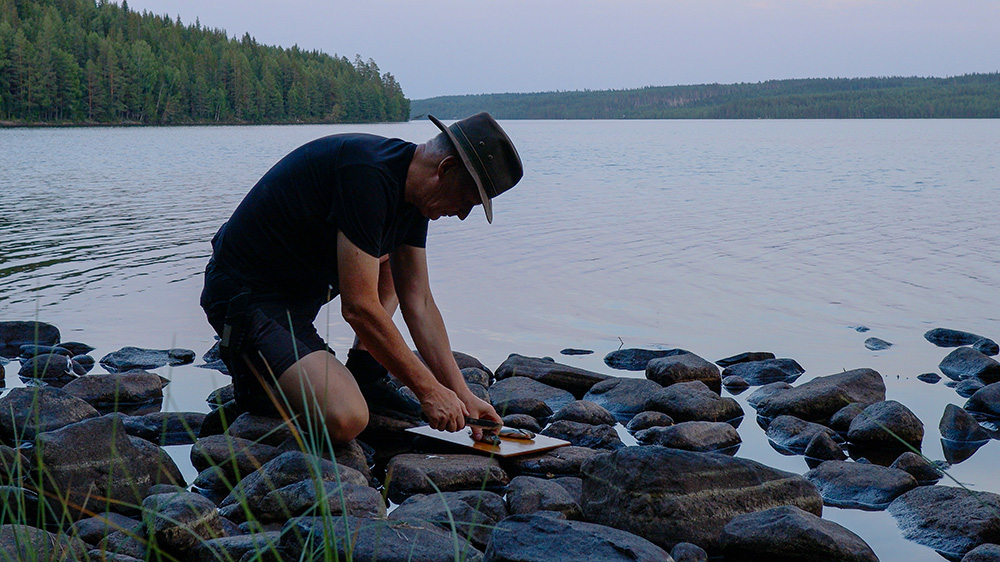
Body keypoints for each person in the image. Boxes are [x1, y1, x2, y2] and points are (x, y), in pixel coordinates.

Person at [200, 112, 523, 444]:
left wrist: (461, 393)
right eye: (467, 200)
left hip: (295, 300)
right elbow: (357, 307)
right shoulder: (366, 176)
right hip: (245, 298)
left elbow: (420, 302)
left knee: (392, 267)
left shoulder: (415, 193)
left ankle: (366, 375)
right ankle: (255, 382)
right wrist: (428, 390)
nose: (462, 214)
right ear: (445, 168)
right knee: (348, 417)